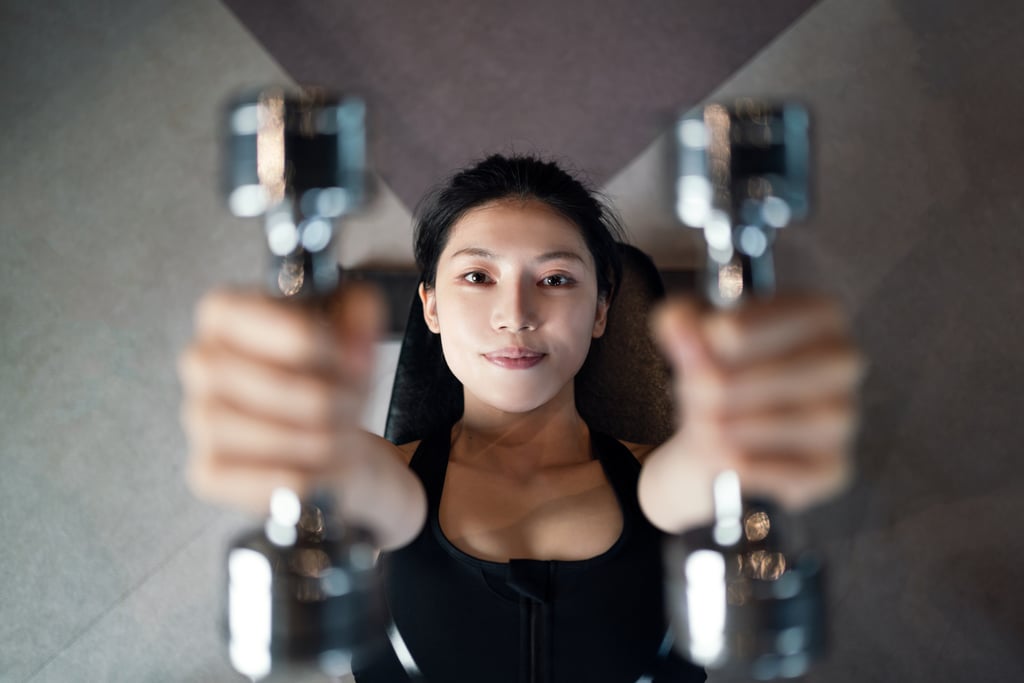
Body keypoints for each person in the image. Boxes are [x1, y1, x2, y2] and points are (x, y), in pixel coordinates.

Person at [179, 154, 862, 682]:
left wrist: (732, 438)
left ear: (601, 311)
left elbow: (698, 476)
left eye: (556, 279)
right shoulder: (392, 482)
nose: (516, 314)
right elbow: (357, 484)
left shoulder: (657, 478)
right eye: (478, 277)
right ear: (431, 305)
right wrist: (298, 435)